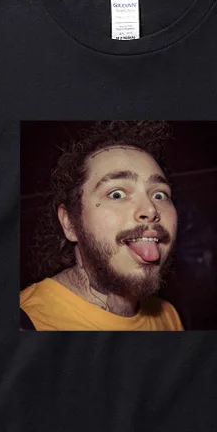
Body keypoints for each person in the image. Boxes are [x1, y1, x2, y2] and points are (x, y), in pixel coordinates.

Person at [20, 121, 184, 331]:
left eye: (159, 195)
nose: (151, 209)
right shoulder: (29, 321)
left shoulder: (169, 317)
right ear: (69, 223)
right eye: (117, 194)